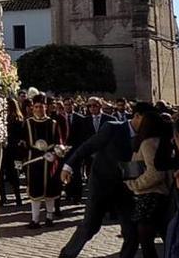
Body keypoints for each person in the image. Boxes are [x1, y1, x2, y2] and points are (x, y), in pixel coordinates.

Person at [58, 102, 157, 258]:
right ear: (137, 116)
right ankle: (67, 255)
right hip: (102, 184)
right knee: (90, 227)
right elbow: (88, 147)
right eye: (147, 119)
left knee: (132, 231)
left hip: (126, 188)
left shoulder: (147, 136)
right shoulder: (113, 128)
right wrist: (68, 166)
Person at [123, 109, 168, 258]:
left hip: (151, 196)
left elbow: (155, 172)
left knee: (147, 242)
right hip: (150, 196)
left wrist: (135, 184)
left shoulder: (149, 143)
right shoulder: (151, 141)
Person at [23, 94, 63, 228]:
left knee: (50, 189)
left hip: (50, 160)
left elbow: (59, 142)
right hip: (34, 161)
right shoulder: (28, 123)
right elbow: (23, 143)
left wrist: (56, 151)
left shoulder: (53, 123)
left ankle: (49, 217)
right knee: (35, 190)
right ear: (33, 108)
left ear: (46, 107)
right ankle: (35, 220)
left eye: (42, 107)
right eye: (36, 107)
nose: (39, 109)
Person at [0, 97, 24, 206]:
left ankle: (4, 198)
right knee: (14, 174)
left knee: (2, 174)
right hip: (14, 150)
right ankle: (18, 198)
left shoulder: (9, 119)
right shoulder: (19, 118)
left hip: (7, 149)